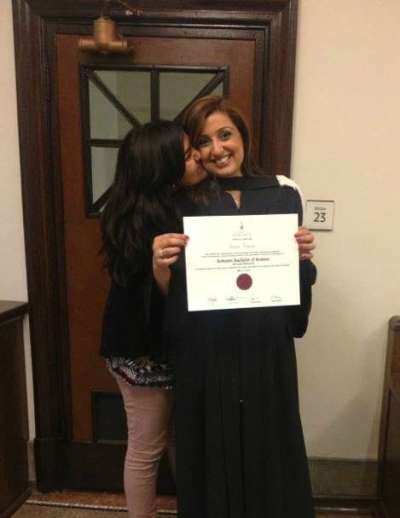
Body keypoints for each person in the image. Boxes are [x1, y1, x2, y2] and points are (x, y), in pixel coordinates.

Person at [152, 96, 317, 518]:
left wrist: (303, 258)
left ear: (243, 136)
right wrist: (160, 265)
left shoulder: (283, 193)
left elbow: (296, 290)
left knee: (270, 444)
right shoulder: (180, 202)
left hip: (265, 347)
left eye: (225, 135)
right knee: (210, 448)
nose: (217, 149)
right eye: (203, 141)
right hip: (206, 351)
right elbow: (171, 297)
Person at [100, 120, 206, 518]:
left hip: (171, 349)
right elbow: (149, 302)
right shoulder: (135, 219)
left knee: (180, 439)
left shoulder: (180, 202)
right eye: (186, 153)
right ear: (161, 166)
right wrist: (161, 270)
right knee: (147, 446)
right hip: (141, 354)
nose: (198, 155)